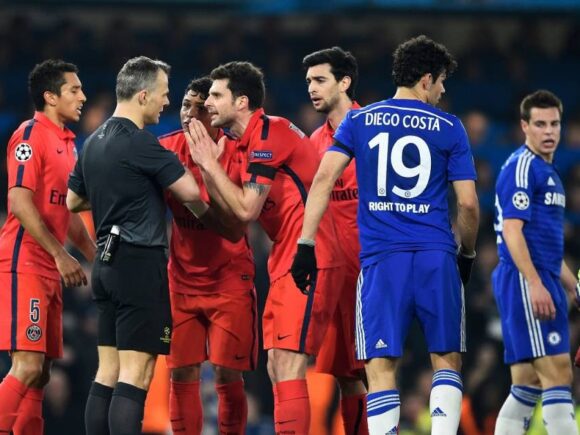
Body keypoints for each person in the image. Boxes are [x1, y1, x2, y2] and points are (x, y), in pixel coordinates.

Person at [291, 35, 480, 434]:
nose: (443, 90)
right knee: (445, 359)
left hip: (380, 260)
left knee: (379, 367)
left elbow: (324, 178)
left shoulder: (360, 121)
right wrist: (466, 252)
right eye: (442, 81)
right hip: (435, 255)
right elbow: (467, 204)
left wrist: (305, 244)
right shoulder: (450, 126)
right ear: (426, 79)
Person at [186, 61, 343, 435]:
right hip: (283, 256)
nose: (207, 101)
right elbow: (236, 224)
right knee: (276, 365)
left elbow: (244, 207)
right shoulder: (237, 145)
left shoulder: (271, 132)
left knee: (288, 363)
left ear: (242, 102)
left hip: (311, 252)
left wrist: (209, 165)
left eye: (216, 95)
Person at [66, 56, 202, 435]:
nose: (166, 102)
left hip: (106, 266)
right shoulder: (141, 143)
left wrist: (115, 195)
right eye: (163, 94)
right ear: (142, 95)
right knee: (136, 374)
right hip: (140, 263)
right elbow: (191, 193)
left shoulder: (92, 142)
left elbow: (72, 201)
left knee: (107, 371)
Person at [0, 59, 95, 435]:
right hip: (25, 262)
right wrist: (60, 254)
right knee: (25, 365)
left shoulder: (68, 145)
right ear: (50, 96)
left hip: (50, 268)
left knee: (40, 373)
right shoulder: (29, 136)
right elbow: (19, 203)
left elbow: (68, 211)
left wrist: (94, 256)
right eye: (74, 90)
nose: (82, 97)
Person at [159, 76, 257, 435]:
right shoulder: (165, 149)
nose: (188, 114)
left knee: (226, 372)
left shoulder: (238, 152)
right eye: (185, 105)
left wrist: (207, 168)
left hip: (229, 279)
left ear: (215, 113)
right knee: (181, 370)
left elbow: (236, 224)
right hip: (180, 281)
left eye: (199, 108)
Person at [492, 90, 579, 435]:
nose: (549, 131)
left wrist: (573, 286)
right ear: (524, 126)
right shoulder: (523, 167)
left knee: (527, 382)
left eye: (554, 123)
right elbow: (512, 231)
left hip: (537, 276)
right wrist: (534, 282)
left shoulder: (548, 171)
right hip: (524, 279)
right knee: (558, 374)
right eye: (540, 123)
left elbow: (547, 250)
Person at [302, 46, 368, 435]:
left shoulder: (374, 128)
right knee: (346, 376)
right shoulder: (314, 141)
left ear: (344, 83)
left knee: (379, 372)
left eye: (320, 80)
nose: (311, 88)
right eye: (309, 81)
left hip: (373, 272)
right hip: (336, 275)